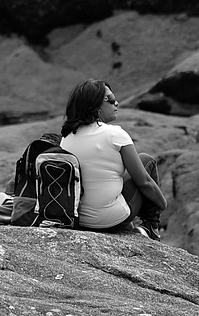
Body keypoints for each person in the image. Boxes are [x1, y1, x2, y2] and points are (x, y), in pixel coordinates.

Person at [60, 79, 167, 240]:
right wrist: (162, 204)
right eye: (110, 99)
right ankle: (151, 226)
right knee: (147, 160)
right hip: (109, 221)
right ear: (95, 105)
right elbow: (144, 181)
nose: (116, 103)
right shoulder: (115, 134)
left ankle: (134, 227)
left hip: (79, 219)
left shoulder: (66, 137)